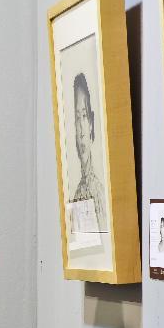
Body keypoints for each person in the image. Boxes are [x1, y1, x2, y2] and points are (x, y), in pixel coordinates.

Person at [70, 72, 107, 233]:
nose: (81, 130)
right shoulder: (77, 193)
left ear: (91, 123)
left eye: (84, 116)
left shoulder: (100, 191)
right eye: (77, 118)